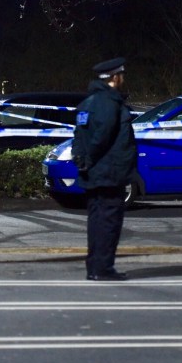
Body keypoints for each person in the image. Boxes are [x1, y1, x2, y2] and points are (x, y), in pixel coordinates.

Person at [72, 57, 137, 281]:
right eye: (122, 75)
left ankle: (94, 267)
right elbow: (102, 138)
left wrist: (81, 160)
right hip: (109, 173)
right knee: (108, 223)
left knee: (96, 221)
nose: (123, 79)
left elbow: (78, 137)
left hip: (94, 174)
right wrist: (90, 159)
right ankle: (103, 268)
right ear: (115, 78)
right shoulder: (110, 104)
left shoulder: (87, 104)